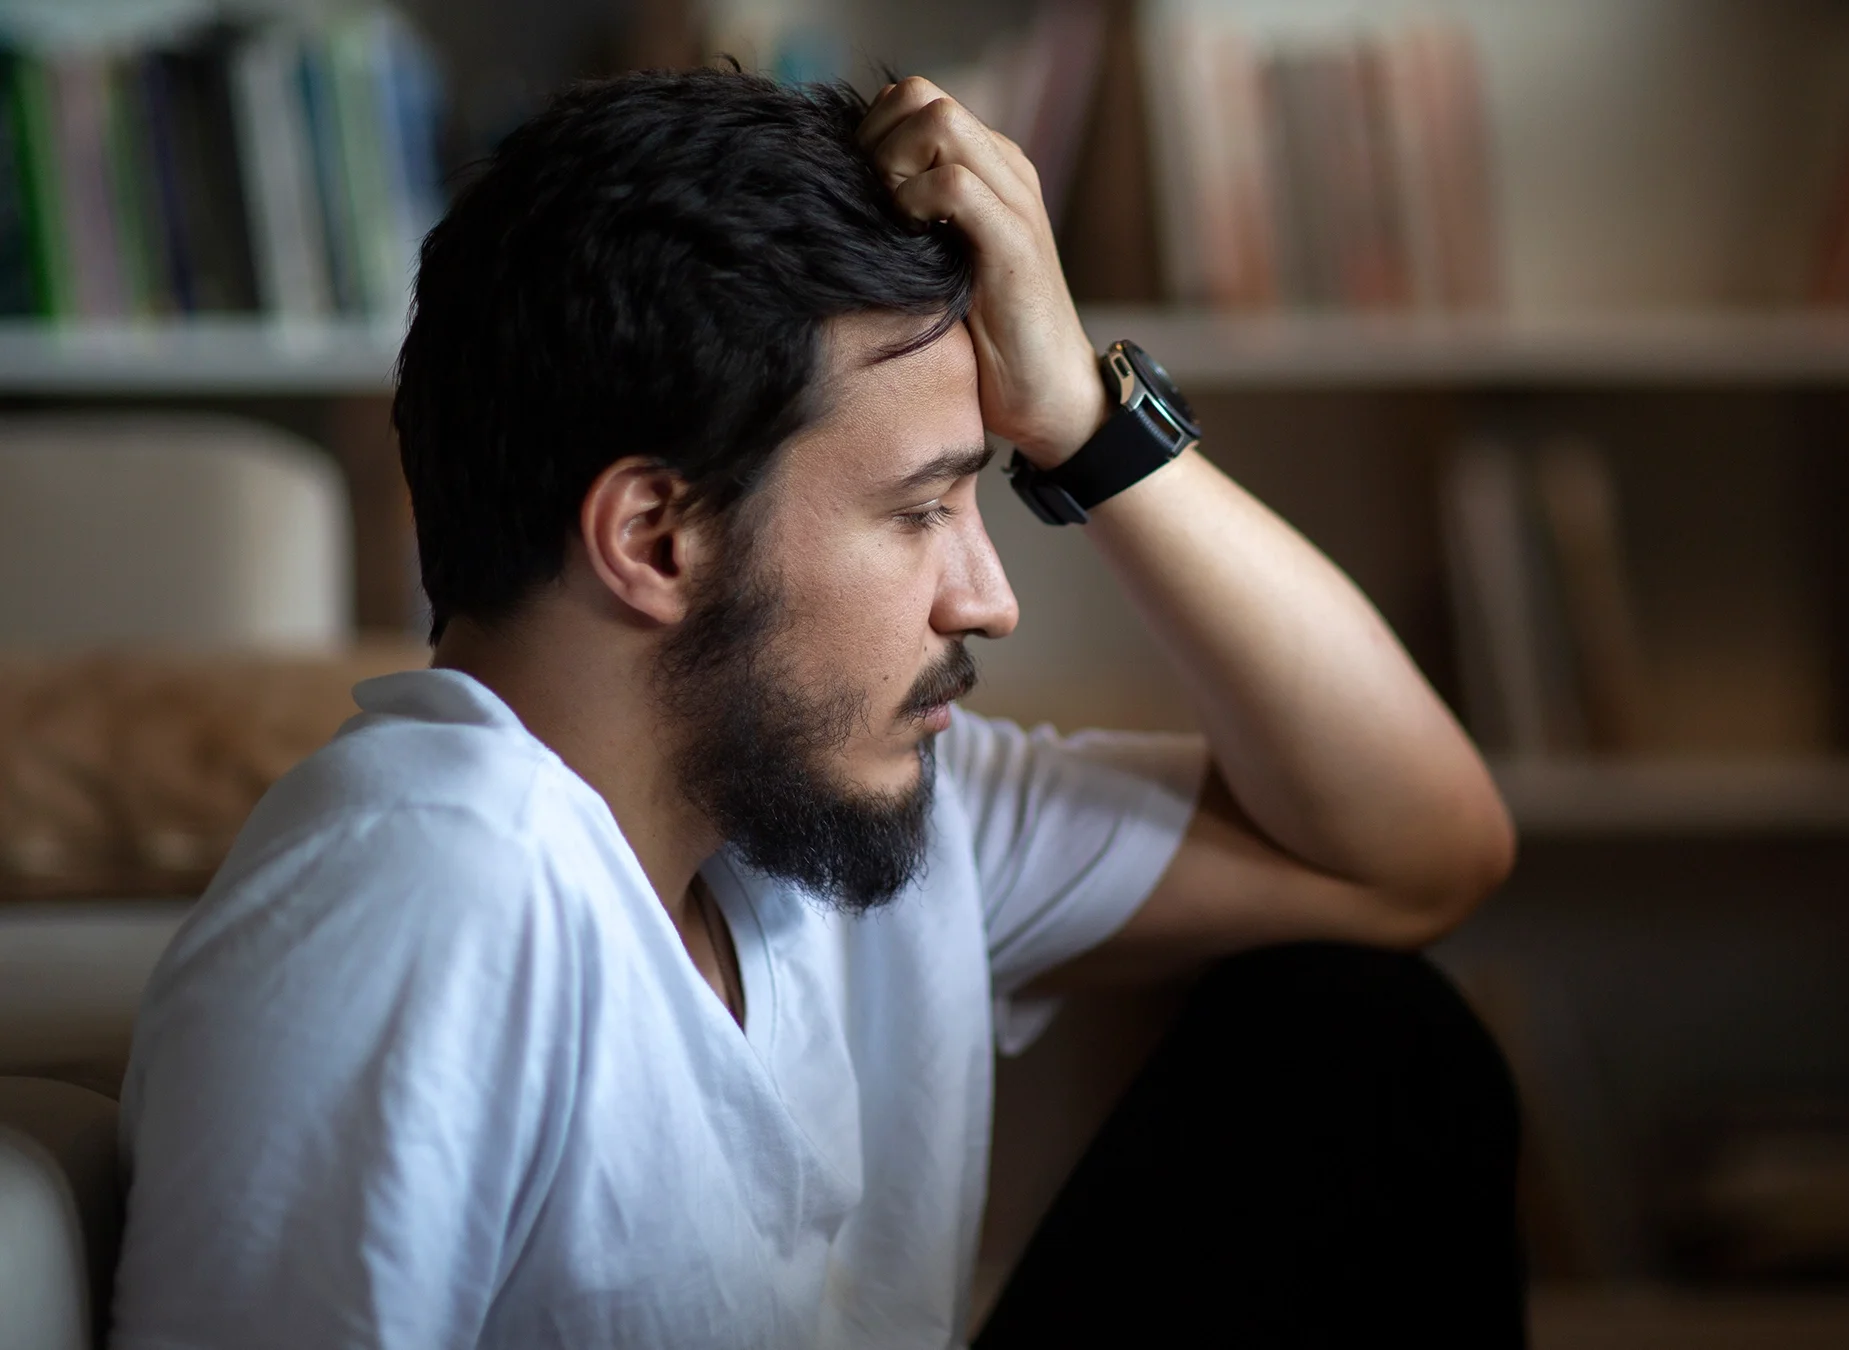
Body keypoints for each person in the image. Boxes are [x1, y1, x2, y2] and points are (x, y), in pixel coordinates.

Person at [110, 70, 1521, 1350]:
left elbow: (1412, 856)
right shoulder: (432, 885)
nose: (987, 597)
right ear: (659, 535)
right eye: (922, 510)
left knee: (1361, 1040)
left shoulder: (826, 819)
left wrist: (1089, 423)